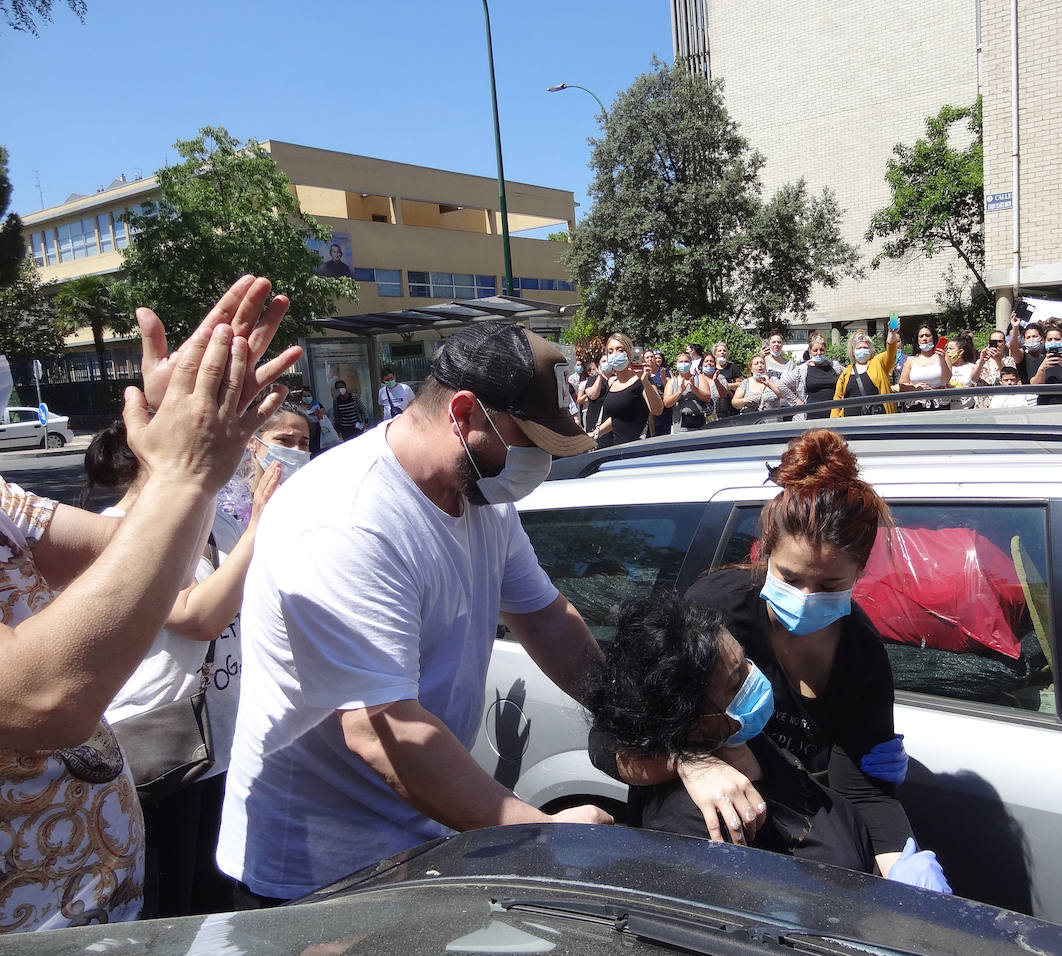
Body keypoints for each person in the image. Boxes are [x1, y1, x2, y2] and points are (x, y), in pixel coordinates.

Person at [217, 323, 613, 907]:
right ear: (464, 413)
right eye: (529, 441)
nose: (541, 463)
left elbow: (547, 621)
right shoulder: (348, 518)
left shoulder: (480, 496)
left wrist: (637, 720)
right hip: (316, 874)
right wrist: (537, 829)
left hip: (420, 839)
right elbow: (384, 731)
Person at [0, 274, 298, 933]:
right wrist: (184, 473)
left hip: (110, 912)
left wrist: (187, 461)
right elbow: (46, 699)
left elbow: (129, 552)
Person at [592, 430, 936, 886]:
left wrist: (905, 874)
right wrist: (688, 762)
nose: (806, 598)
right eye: (790, 578)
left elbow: (862, 790)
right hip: (705, 844)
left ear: (859, 571)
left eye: (830, 586)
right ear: (765, 551)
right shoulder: (715, 614)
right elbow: (608, 739)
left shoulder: (860, 651)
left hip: (806, 841)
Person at [80, 411, 288, 919]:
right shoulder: (110, 533)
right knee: (169, 910)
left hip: (222, 746)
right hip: (158, 748)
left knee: (218, 901)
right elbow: (198, 617)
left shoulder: (217, 518)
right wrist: (260, 524)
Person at [586, 593, 894, 876]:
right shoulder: (702, 824)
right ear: (692, 723)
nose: (757, 680)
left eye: (746, 661)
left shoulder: (740, 737)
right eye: (736, 683)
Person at [584, 333, 664, 446]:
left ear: (629, 353)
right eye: (610, 352)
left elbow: (657, 410)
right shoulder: (612, 382)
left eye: (620, 350)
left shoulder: (640, 380)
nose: (615, 355)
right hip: (617, 449)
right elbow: (617, 418)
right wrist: (595, 433)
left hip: (638, 449)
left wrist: (645, 381)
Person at [832, 329, 900, 417]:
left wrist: (892, 333)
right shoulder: (846, 372)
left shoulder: (878, 363)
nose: (862, 350)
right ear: (853, 351)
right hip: (851, 423)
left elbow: (891, 353)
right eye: (859, 348)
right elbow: (837, 398)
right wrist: (833, 423)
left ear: (870, 349)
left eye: (865, 347)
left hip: (877, 419)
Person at [779, 332, 843, 419]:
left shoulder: (835, 366)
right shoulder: (801, 370)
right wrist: (796, 401)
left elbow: (849, 376)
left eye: (822, 350)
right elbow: (781, 384)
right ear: (810, 352)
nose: (819, 353)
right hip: (810, 416)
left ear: (826, 350)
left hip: (834, 415)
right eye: (815, 350)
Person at [897, 323, 951, 404]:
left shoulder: (943, 356)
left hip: (940, 404)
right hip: (916, 404)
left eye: (927, 335)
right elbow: (902, 385)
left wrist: (942, 360)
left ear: (933, 337)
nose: (924, 339)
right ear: (917, 340)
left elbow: (947, 379)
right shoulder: (911, 360)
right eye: (921, 336)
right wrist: (915, 388)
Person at [733, 353, 798, 416]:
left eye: (762, 363)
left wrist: (769, 383)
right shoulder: (745, 383)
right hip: (752, 422)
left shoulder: (774, 380)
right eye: (756, 363)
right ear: (751, 368)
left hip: (773, 421)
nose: (760, 365)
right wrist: (744, 400)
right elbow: (735, 402)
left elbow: (784, 395)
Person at [663, 351, 712, 433]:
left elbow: (707, 397)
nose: (683, 364)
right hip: (680, 425)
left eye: (686, 361)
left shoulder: (699, 379)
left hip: (698, 423)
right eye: (681, 362)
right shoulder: (672, 382)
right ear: (676, 364)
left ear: (691, 363)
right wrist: (679, 392)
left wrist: (694, 388)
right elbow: (667, 403)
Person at [696, 351, 733, 421]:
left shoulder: (720, 377)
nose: (709, 363)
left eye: (711, 361)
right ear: (701, 364)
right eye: (706, 361)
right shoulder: (696, 379)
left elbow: (724, 394)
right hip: (701, 418)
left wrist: (716, 381)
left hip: (720, 417)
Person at [711, 342, 743, 419]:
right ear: (715, 354)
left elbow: (741, 385)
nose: (722, 352)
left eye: (724, 351)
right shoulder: (711, 368)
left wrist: (726, 386)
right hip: (714, 407)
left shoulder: (733, 367)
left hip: (731, 407)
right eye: (720, 351)